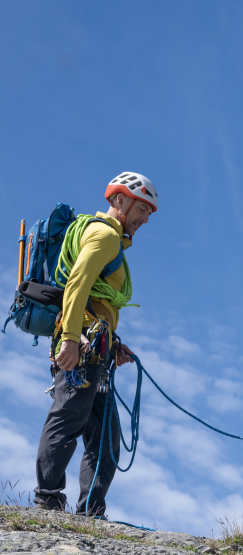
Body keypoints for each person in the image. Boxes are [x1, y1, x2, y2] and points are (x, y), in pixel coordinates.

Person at [34, 172, 157, 517]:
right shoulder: (104, 235)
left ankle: (91, 510)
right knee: (68, 418)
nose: (146, 218)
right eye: (143, 208)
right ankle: (48, 499)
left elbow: (96, 299)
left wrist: (113, 344)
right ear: (119, 200)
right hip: (82, 346)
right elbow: (77, 285)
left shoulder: (111, 238)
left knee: (106, 438)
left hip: (96, 347)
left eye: (150, 212)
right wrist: (71, 339)